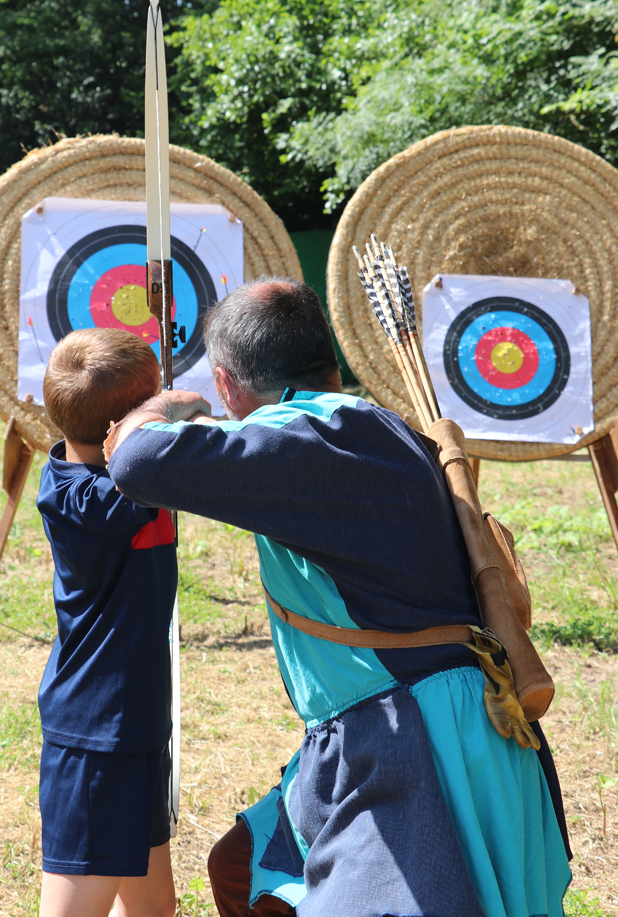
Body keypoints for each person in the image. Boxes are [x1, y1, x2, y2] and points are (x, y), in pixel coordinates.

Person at [104, 278, 572, 917]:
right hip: (387, 723)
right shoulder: (354, 426)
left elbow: (137, 461)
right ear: (328, 361)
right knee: (241, 868)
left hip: (417, 736)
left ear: (227, 382)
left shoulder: (311, 437)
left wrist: (162, 406)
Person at [36, 328, 177, 917]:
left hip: (134, 722)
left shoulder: (127, 475)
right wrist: (163, 405)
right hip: (98, 733)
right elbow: (169, 432)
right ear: (127, 425)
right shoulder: (86, 498)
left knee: (152, 909)